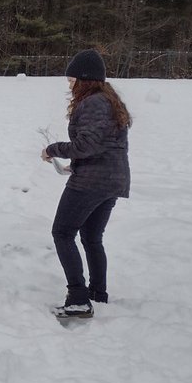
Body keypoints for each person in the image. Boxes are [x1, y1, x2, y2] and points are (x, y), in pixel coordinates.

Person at [41, 49, 131, 318]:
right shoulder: (108, 101)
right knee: (92, 237)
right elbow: (103, 145)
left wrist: (53, 149)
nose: (70, 85)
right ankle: (97, 293)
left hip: (92, 183)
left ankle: (79, 299)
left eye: (72, 80)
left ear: (85, 79)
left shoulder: (93, 103)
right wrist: (75, 164)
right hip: (110, 179)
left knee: (62, 233)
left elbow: (86, 144)